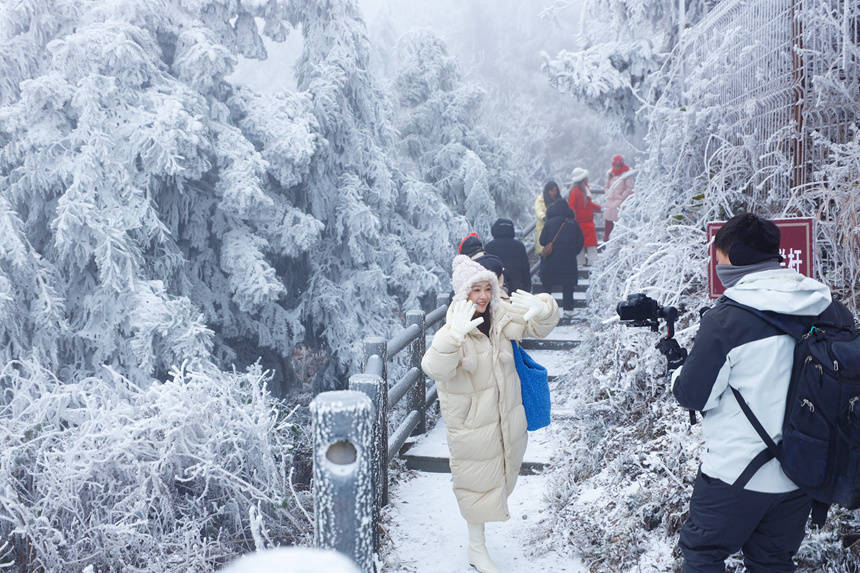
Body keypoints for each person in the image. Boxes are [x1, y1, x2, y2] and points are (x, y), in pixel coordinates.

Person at [671, 212, 855, 572]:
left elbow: (692, 395)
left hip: (735, 475)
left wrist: (677, 368)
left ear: (736, 257)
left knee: (703, 555)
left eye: (720, 258)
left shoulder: (726, 320)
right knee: (772, 562)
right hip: (803, 473)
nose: (717, 267)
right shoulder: (831, 310)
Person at [421, 255, 560, 573]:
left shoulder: (499, 316)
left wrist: (544, 307)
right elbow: (434, 367)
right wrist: (453, 337)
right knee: (476, 483)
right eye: (476, 290)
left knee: (502, 477)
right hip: (472, 424)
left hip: (505, 417)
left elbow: (536, 325)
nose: (483, 296)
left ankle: (477, 545)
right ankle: (476, 547)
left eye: (487, 288)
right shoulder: (455, 325)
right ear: (463, 293)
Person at [538, 198, 584, 311]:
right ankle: (568, 310)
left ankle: (547, 311)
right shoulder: (573, 223)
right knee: (568, 287)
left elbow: (542, 241)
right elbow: (581, 241)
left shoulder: (549, 223)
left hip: (550, 262)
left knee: (547, 287)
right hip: (569, 262)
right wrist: (573, 252)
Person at [485, 218, 531, 295]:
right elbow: (525, 268)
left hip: (497, 288)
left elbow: (486, 269)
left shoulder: (489, 247)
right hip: (517, 289)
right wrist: (527, 287)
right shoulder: (519, 246)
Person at [567, 168, 601, 266]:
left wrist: (598, 208)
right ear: (582, 179)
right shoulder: (580, 191)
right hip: (584, 223)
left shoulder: (578, 191)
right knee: (591, 247)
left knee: (580, 247)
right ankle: (594, 266)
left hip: (581, 224)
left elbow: (584, 205)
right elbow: (573, 207)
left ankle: (580, 266)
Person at [603, 155, 634, 241]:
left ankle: (615, 243)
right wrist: (609, 193)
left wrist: (621, 197)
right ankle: (607, 242)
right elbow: (606, 186)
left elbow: (629, 188)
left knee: (619, 224)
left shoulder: (626, 174)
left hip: (621, 203)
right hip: (610, 202)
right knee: (608, 225)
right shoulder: (610, 173)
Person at [534, 181, 561, 256]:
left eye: (555, 190)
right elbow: (538, 210)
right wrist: (544, 217)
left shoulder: (559, 200)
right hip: (543, 228)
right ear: (547, 191)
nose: (554, 193)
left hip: (556, 230)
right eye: (551, 190)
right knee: (544, 252)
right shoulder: (541, 199)